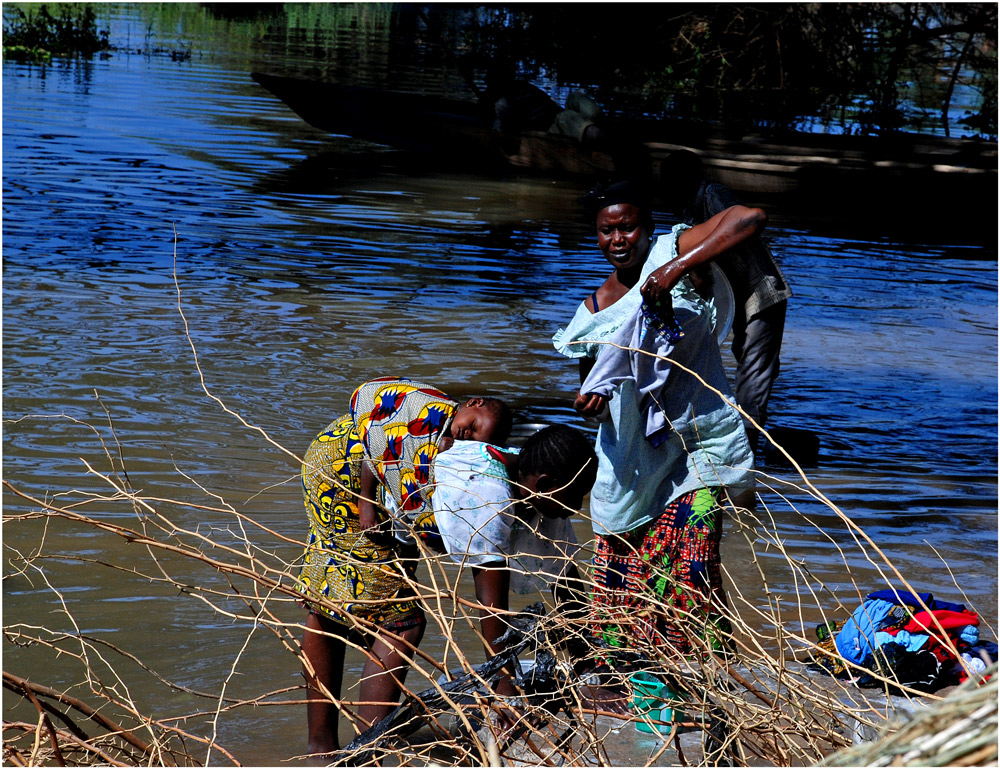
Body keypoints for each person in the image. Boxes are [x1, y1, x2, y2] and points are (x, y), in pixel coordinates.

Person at [297, 377, 596, 755]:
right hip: (346, 470)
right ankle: (362, 753)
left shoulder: (539, 488)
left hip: (375, 471)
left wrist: (590, 664)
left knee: (347, 603)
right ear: (546, 483)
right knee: (398, 622)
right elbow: (491, 606)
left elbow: (566, 577)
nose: (578, 506)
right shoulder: (484, 494)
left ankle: (331, 749)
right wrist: (504, 687)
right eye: (576, 496)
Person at [552, 179, 760, 659]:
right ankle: (642, 678)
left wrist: (679, 268)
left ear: (647, 229)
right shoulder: (595, 310)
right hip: (634, 460)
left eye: (627, 228)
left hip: (699, 444)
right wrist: (590, 402)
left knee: (694, 567)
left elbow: (749, 217)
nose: (618, 240)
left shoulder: (674, 251)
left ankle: (710, 675)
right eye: (607, 231)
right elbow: (598, 389)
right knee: (626, 581)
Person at [661, 150, 793, 451]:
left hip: (761, 294)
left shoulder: (712, 196)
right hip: (736, 298)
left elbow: (746, 225)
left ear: (686, 180)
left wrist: (685, 264)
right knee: (747, 366)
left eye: (669, 181)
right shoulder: (688, 212)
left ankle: (746, 451)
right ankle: (736, 437)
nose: (665, 189)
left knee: (754, 375)